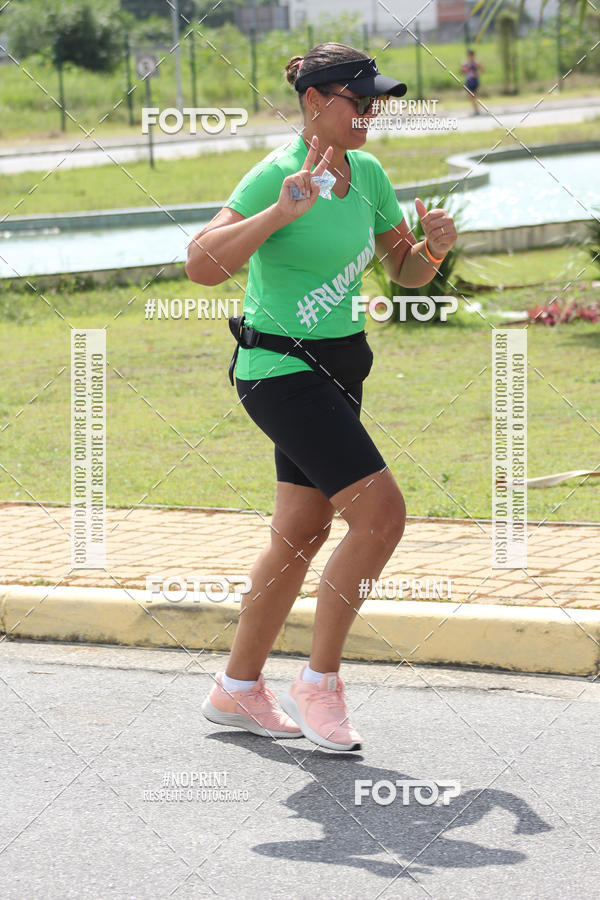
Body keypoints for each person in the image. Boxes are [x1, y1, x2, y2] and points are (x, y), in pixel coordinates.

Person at [186, 43, 457, 752]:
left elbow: (405, 270)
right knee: (381, 517)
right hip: (281, 373)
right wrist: (279, 214)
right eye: (359, 101)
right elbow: (200, 264)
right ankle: (320, 682)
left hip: (341, 368)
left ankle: (237, 689)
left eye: (378, 102)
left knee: (302, 534)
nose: (373, 114)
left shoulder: (366, 173)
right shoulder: (275, 175)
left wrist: (432, 249)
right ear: (314, 102)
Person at [461, 48, 484, 115]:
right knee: (472, 97)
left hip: (474, 82)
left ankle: (476, 111)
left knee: (472, 96)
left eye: (471, 55)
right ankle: (476, 110)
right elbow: (462, 72)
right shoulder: (465, 63)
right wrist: (465, 69)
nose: (470, 56)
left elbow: (482, 70)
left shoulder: (476, 63)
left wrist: (476, 74)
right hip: (468, 82)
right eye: (469, 55)